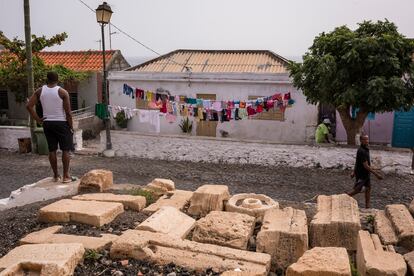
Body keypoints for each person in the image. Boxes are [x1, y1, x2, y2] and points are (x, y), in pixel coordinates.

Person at [26, 71, 74, 183]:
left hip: (47, 123)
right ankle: (66, 176)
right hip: (61, 123)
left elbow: (28, 106)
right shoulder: (63, 92)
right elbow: (68, 113)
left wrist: (38, 119)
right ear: (58, 80)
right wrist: (71, 126)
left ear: (47, 79)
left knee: (52, 150)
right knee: (65, 150)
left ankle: (56, 176)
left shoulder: (40, 91)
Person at [347, 134, 383, 208]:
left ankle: (367, 206)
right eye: (365, 139)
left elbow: (357, 161)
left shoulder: (366, 149)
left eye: (367, 139)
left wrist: (353, 171)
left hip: (366, 174)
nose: (367, 141)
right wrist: (376, 174)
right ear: (361, 140)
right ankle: (343, 197)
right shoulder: (362, 151)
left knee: (368, 188)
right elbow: (365, 166)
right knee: (357, 190)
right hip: (361, 174)